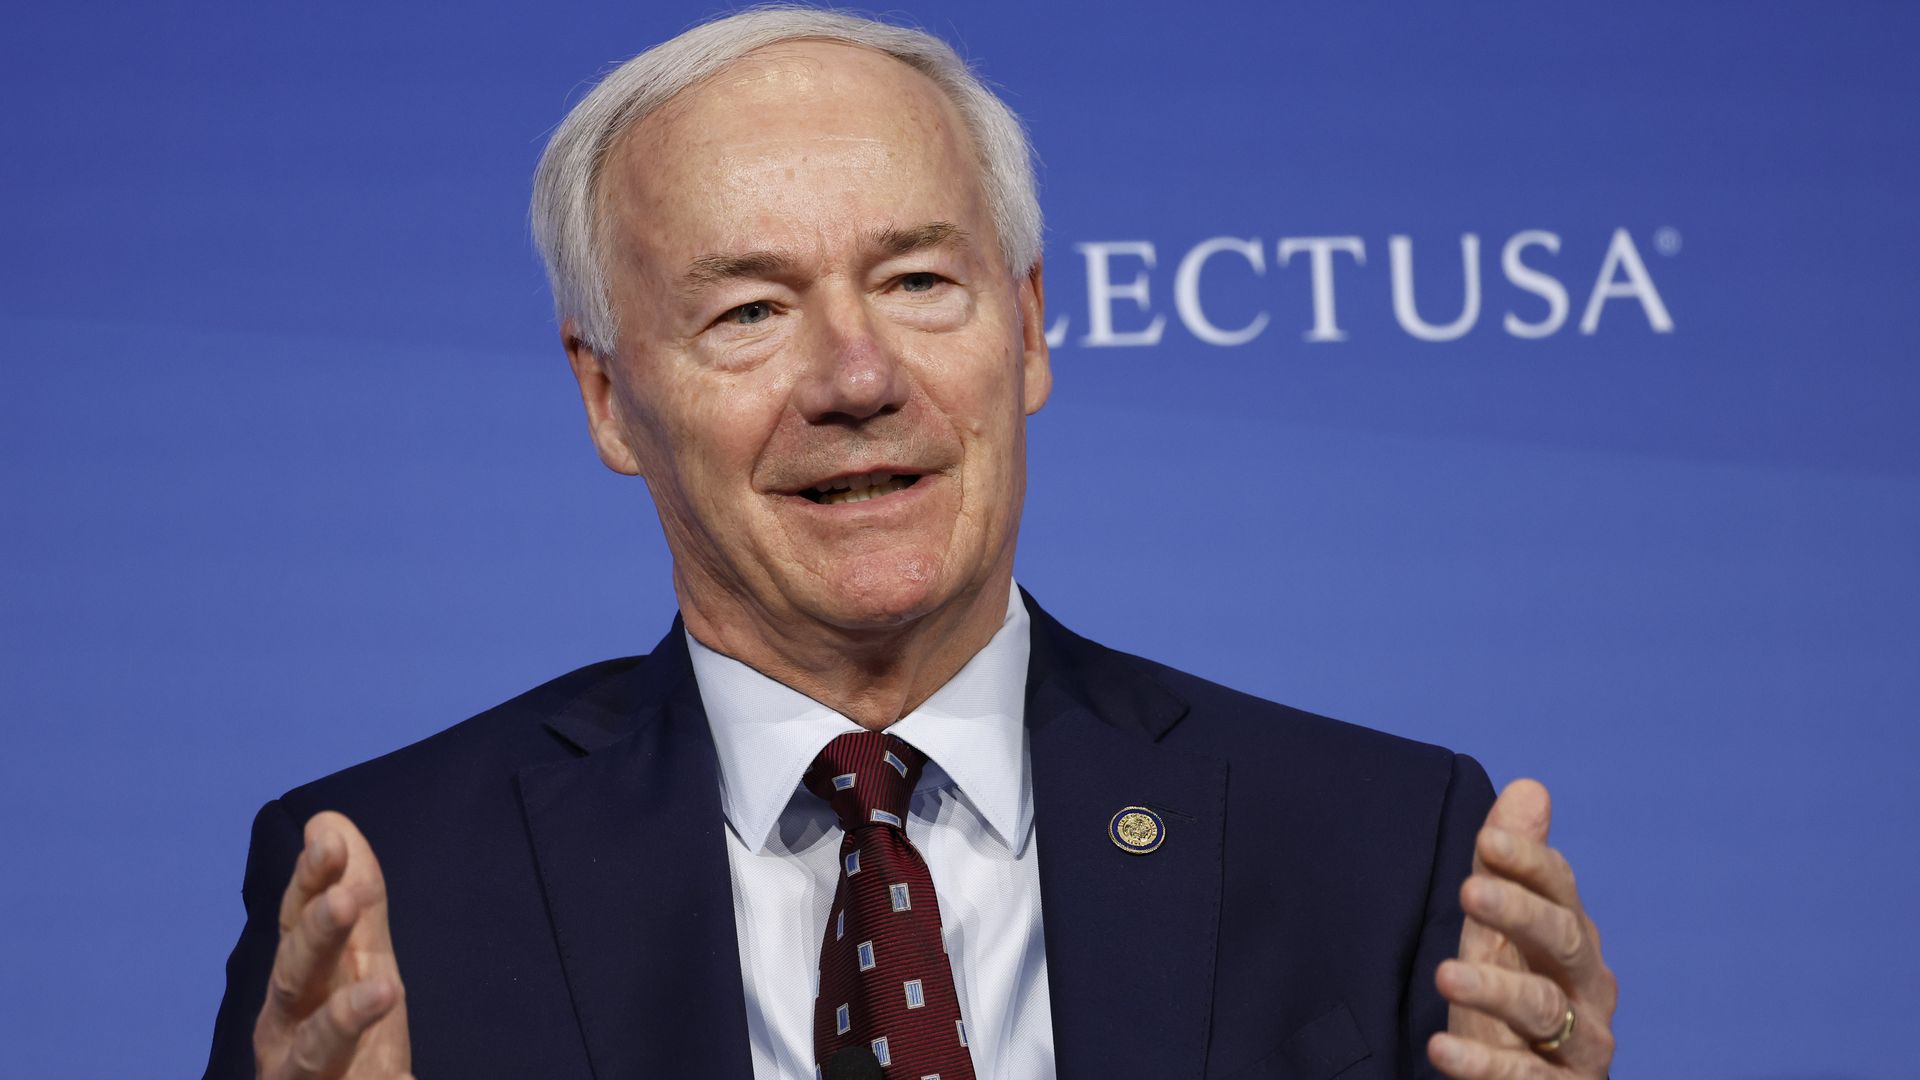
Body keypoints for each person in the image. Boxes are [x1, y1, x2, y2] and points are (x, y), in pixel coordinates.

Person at [204, 8, 1618, 1079]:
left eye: (921, 280)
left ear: (1030, 330)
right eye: (749, 310)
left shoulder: (1372, 845)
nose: (856, 376)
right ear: (607, 397)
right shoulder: (397, 883)